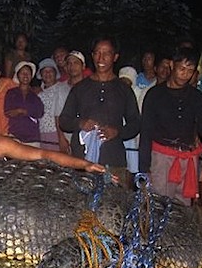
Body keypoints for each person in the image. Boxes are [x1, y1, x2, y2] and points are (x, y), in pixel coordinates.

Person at [139, 47, 202, 205]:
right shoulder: (154, 95)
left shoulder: (196, 96)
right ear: (171, 65)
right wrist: (144, 167)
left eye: (190, 70)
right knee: (159, 205)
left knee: (183, 208)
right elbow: (146, 132)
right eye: (182, 68)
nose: (185, 74)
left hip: (187, 159)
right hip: (162, 159)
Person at [59, 37, 141, 187]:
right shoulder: (80, 88)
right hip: (82, 160)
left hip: (113, 159)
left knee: (112, 206)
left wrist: (117, 132)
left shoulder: (123, 89)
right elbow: (64, 120)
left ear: (115, 57)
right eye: (97, 53)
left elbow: (135, 123)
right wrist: (80, 123)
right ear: (92, 55)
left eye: (106, 53)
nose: (100, 58)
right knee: (81, 206)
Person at [4, 61, 43, 147]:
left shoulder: (35, 94)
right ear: (17, 75)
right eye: (22, 73)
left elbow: (40, 112)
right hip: (15, 136)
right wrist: (27, 111)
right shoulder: (11, 93)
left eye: (28, 73)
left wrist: (21, 111)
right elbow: (8, 112)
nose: (25, 75)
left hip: (32, 137)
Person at [35, 58, 71, 152]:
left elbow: (62, 114)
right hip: (43, 135)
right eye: (44, 71)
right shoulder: (39, 94)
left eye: (50, 71)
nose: (48, 74)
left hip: (58, 134)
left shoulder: (63, 88)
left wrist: (62, 138)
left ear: (55, 73)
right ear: (41, 75)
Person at [118, 66, 145, 174]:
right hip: (116, 133)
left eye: (127, 82)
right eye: (122, 81)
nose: (124, 85)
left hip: (131, 135)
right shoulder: (114, 91)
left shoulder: (138, 92)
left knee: (132, 166)